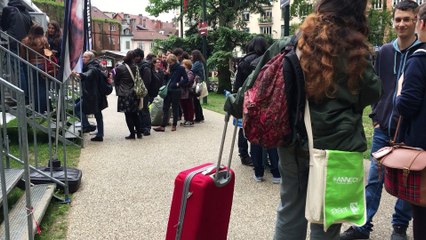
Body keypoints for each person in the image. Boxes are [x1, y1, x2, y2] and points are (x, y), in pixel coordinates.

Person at [274, 0, 381, 239]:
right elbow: (373, 91)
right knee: (328, 218)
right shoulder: (357, 51)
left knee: (291, 209)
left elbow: (259, 83)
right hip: (339, 146)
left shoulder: (295, 43)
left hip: (296, 138)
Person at [340, 1, 420, 239]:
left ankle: (399, 226)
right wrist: (375, 116)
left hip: (411, 130)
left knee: (408, 181)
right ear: (393, 21)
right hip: (384, 127)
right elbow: (374, 87)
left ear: (416, 20)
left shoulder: (422, 53)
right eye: (398, 19)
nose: (401, 24)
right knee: (374, 179)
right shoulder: (384, 52)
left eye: (407, 19)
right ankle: (363, 226)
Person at [396, 3, 426, 239]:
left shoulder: (419, 59)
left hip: (421, 149)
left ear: (420, 23)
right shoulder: (387, 51)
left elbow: (407, 104)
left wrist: (398, 94)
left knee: (422, 215)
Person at [233, 36, 269, 167]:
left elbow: (238, 83)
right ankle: (261, 157)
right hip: (261, 98)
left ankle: (244, 155)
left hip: (246, 98)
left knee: (243, 126)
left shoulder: (244, 61)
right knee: (261, 126)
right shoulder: (266, 59)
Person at [72, 51, 107, 142]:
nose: (83, 59)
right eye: (83, 57)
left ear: (90, 58)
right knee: (98, 114)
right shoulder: (95, 65)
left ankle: (87, 126)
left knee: (77, 108)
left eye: (85, 57)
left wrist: (79, 75)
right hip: (94, 94)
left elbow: (89, 74)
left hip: (92, 95)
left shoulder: (92, 67)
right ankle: (99, 134)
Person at [153, 54, 188, 132]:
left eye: (170, 62)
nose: (169, 64)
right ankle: (163, 126)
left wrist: (178, 84)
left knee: (175, 108)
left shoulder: (180, 68)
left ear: (174, 61)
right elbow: (165, 79)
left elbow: (186, 79)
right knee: (165, 107)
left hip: (176, 90)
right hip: (168, 90)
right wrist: (166, 74)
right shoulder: (169, 68)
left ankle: (174, 125)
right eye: (168, 62)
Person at [20, 25, 50, 114]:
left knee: (34, 87)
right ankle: (43, 109)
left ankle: (37, 109)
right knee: (43, 87)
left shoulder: (25, 41)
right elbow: (48, 54)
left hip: (31, 65)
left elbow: (23, 56)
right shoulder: (43, 40)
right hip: (42, 65)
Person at [114, 50, 143, 139]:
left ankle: (132, 134)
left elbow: (116, 81)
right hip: (134, 93)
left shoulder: (120, 68)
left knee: (128, 115)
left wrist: (118, 90)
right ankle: (139, 133)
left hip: (124, 94)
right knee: (135, 114)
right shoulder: (136, 67)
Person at [134, 48, 152, 136]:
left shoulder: (145, 66)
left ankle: (147, 128)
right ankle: (141, 127)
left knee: (144, 109)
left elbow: (147, 81)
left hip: (143, 91)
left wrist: (142, 90)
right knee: (139, 110)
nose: (134, 58)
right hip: (139, 91)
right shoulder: (138, 65)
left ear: (140, 57)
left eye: (136, 56)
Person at [190, 50, 206, 123]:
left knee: (196, 101)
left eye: (192, 55)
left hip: (197, 84)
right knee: (197, 101)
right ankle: (200, 116)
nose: (191, 56)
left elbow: (191, 70)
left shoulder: (197, 63)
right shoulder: (200, 63)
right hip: (199, 83)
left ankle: (198, 117)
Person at [180, 59, 195, 126]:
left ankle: (190, 120)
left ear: (187, 65)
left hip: (188, 92)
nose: (181, 65)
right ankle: (186, 119)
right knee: (184, 106)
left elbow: (188, 81)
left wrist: (180, 82)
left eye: (183, 64)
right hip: (182, 92)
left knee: (189, 106)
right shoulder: (182, 72)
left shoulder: (190, 73)